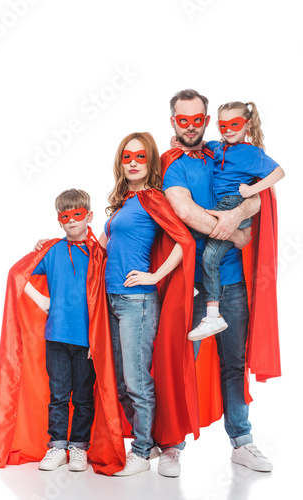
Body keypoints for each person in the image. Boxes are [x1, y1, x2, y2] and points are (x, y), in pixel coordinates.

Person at [158, 89, 281, 475]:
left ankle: (241, 441)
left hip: (233, 284)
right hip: (192, 284)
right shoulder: (173, 164)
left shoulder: (223, 151)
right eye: (183, 120)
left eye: (198, 119)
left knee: (235, 363)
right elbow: (184, 210)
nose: (191, 126)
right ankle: (172, 444)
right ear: (174, 122)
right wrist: (234, 231)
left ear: (207, 121)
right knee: (182, 362)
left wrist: (242, 210)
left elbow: (259, 196)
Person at [0, 189, 126, 476]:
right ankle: (58, 445)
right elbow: (17, 274)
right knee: (59, 394)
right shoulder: (52, 251)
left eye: (77, 215)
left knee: (83, 396)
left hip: (87, 342)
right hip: (57, 337)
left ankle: (79, 447)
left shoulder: (99, 254)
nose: (72, 221)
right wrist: (42, 301)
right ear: (59, 220)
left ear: (89, 216)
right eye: (65, 216)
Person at [98, 132, 197, 476]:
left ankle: (140, 452)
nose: (134, 163)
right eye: (127, 157)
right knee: (119, 378)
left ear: (150, 160)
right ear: (120, 162)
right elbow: (101, 248)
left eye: (141, 157)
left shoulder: (152, 199)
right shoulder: (123, 202)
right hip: (110, 299)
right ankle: (149, 443)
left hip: (136, 302)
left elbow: (184, 241)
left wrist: (154, 276)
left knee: (136, 380)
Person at [176, 101, 284, 341]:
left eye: (234, 124)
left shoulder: (251, 152)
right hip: (220, 205)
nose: (228, 130)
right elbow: (202, 143)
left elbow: (279, 172)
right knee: (190, 232)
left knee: (210, 255)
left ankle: (212, 314)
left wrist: (251, 190)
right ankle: (186, 286)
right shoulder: (219, 147)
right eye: (223, 125)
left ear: (247, 125)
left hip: (234, 204)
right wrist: (180, 143)